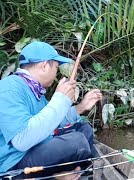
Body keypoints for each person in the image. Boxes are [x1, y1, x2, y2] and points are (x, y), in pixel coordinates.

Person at [0, 41, 102, 178]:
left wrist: (81, 107)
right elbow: (21, 140)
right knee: (77, 142)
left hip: (34, 148)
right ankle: (58, 175)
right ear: (44, 66)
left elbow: (51, 121)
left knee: (84, 130)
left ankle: (67, 174)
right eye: (55, 67)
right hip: (13, 162)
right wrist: (60, 98)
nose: (56, 74)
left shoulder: (35, 90)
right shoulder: (9, 88)